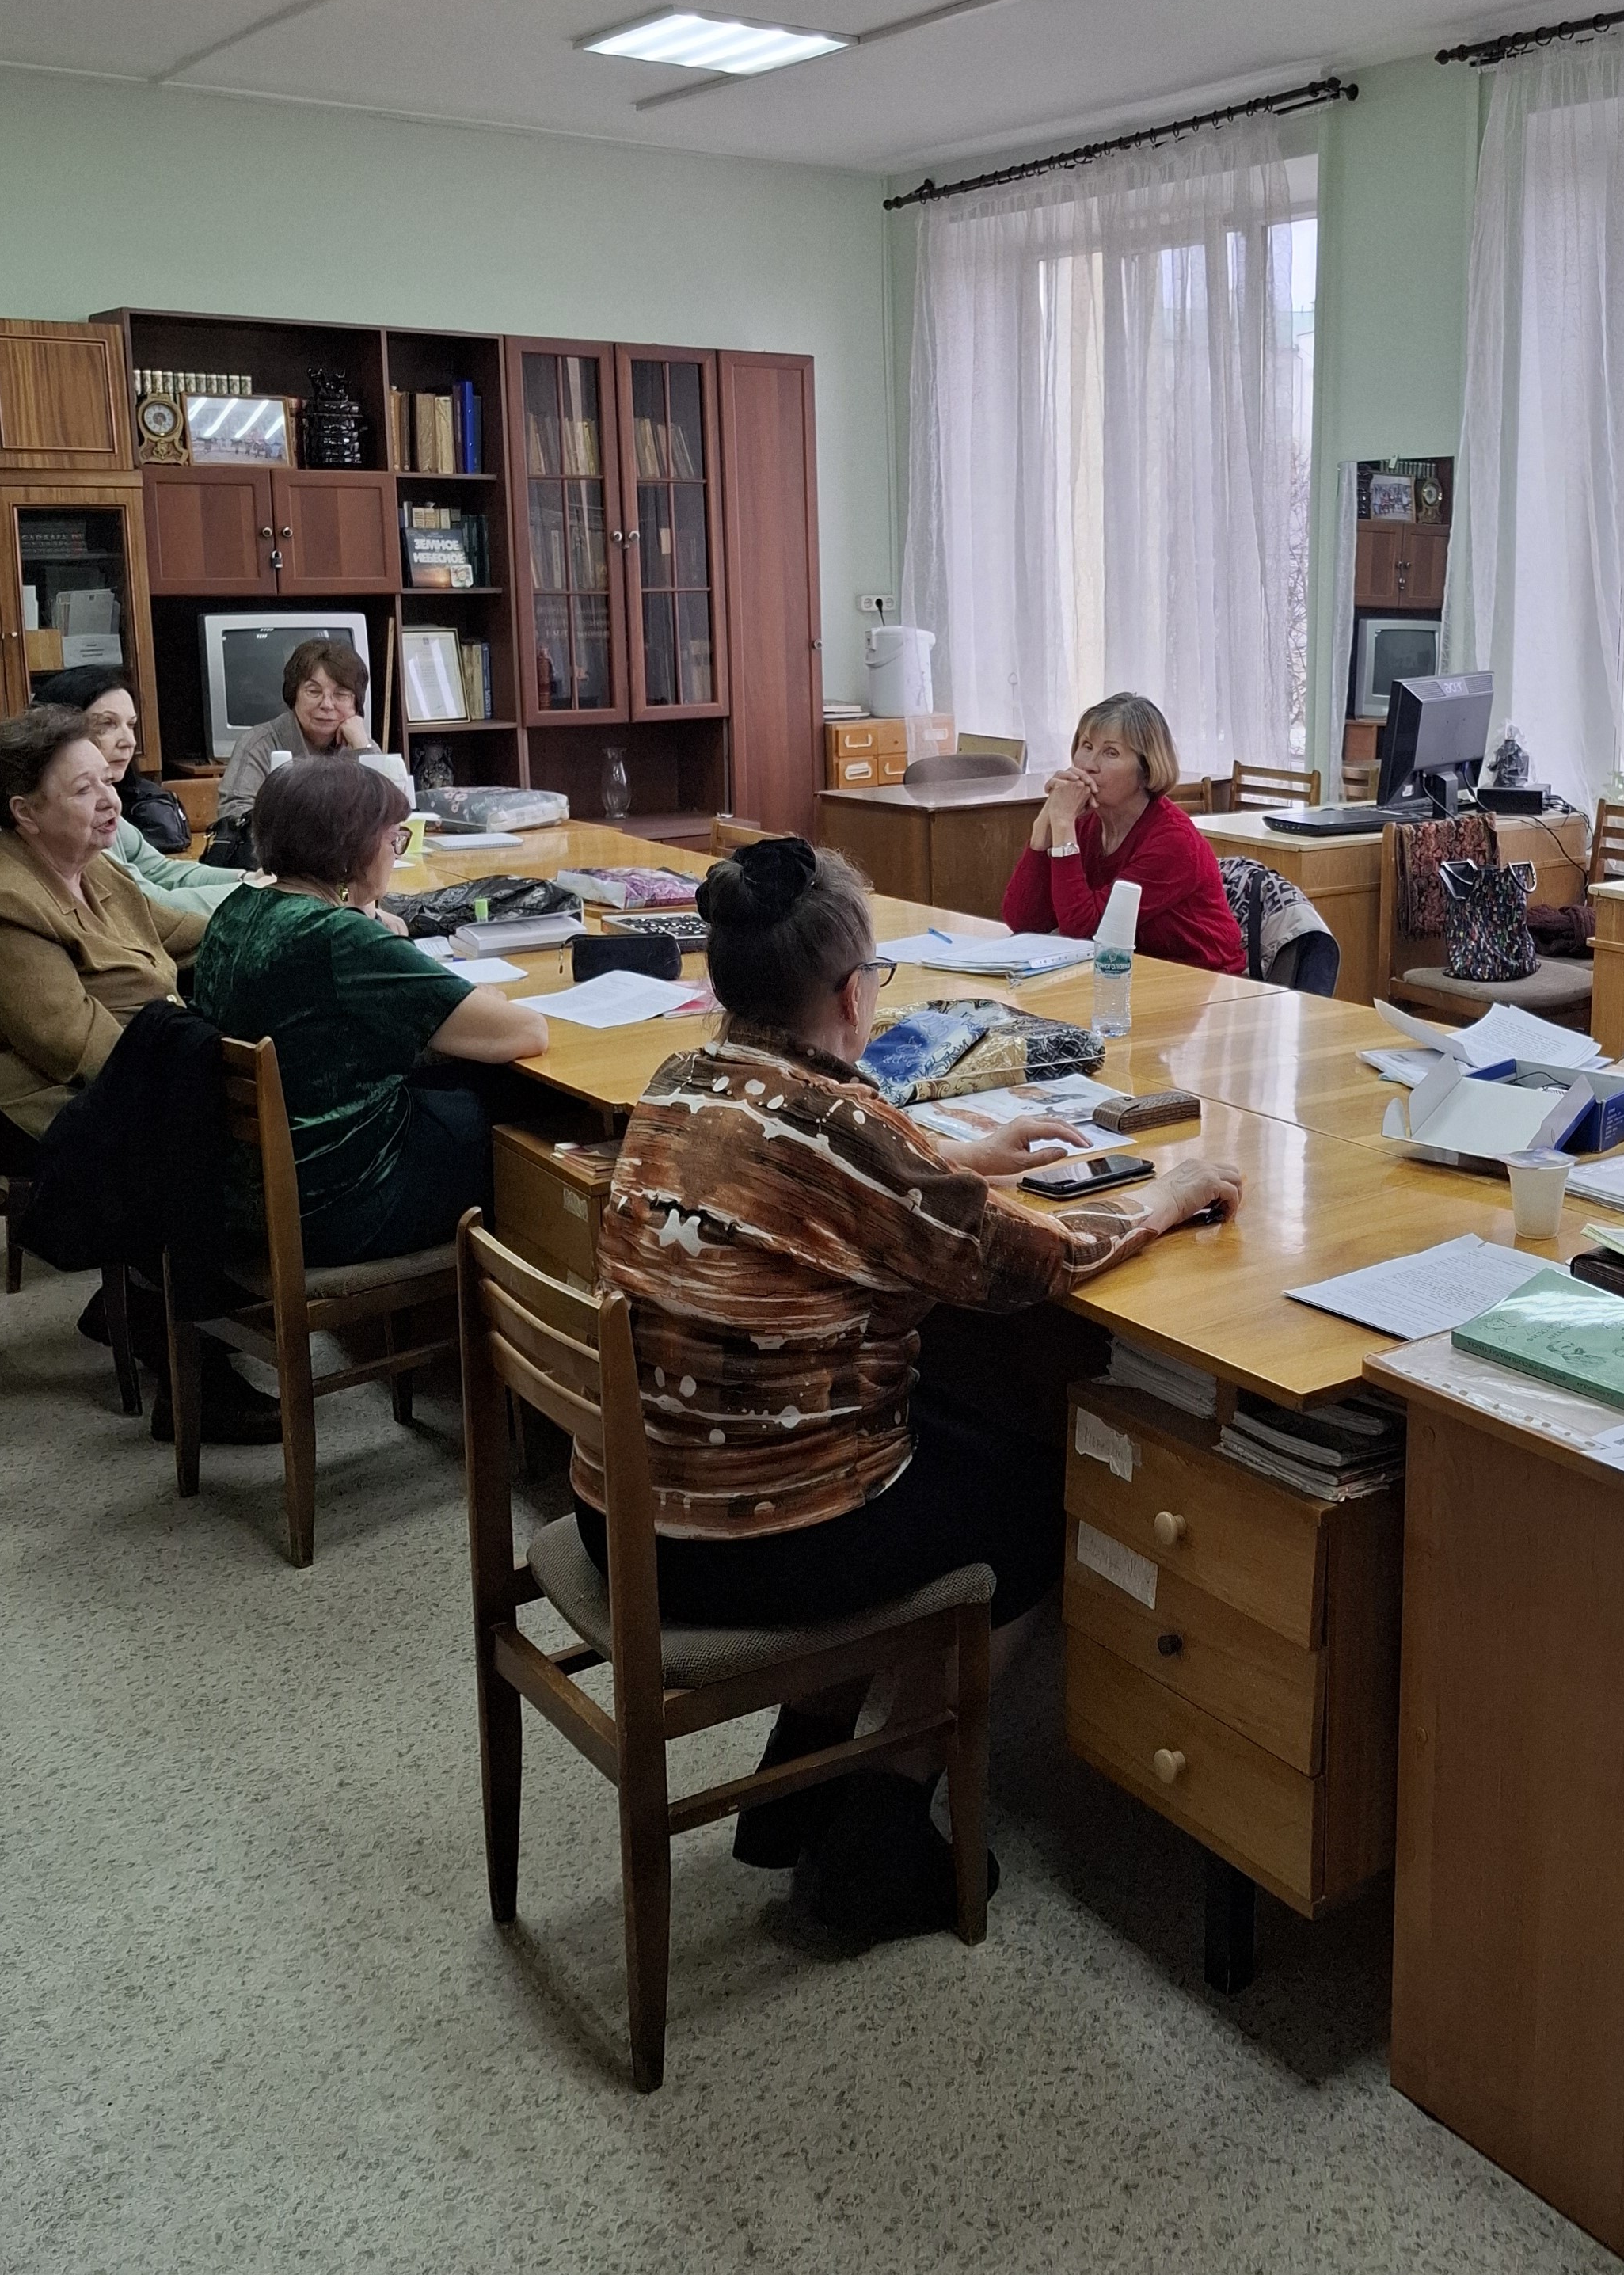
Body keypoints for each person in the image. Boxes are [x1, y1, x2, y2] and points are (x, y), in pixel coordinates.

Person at [591, 835, 1246, 1935]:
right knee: (1032, 1501)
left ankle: (802, 1774)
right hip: (740, 1548)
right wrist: (1165, 1197)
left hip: (625, 1504)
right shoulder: (842, 1129)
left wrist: (960, 1164)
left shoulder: (681, 1081)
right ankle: (883, 1820)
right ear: (854, 994)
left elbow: (853, 1178)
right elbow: (1037, 1263)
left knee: (951, 1419)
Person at [186, 759, 549, 1261]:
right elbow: (525, 1033)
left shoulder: (238, 909)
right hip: (343, 1200)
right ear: (352, 846)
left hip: (251, 1193)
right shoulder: (338, 937)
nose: (394, 854)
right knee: (533, 1125)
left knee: (463, 1091)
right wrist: (479, 993)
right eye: (392, 839)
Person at [0, 707, 206, 1175]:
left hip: (129, 1075)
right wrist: (200, 1067)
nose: (110, 801)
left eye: (107, 781)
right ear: (26, 813)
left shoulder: (92, 865)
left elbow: (181, 933)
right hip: (34, 1109)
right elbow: (74, 1044)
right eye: (83, 790)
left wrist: (281, 924)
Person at [999, 691, 1246, 973]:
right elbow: (1024, 921)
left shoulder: (1174, 841)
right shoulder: (1084, 823)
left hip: (1203, 980)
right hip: (1125, 974)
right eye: (1087, 746)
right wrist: (1044, 825)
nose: (1089, 765)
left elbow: (1085, 931)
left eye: (1111, 753)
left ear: (1146, 770)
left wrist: (1063, 824)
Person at [0, 667, 242, 917]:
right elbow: (144, 906)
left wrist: (246, 878)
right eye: (106, 725)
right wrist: (255, 894)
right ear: (59, 731)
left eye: (131, 725)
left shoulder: (103, 805)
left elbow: (160, 871)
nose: (129, 741)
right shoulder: (56, 823)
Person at [214, 635, 374, 824]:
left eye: (341, 694)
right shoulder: (259, 744)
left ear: (356, 704)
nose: (327, 705)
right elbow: (234, 814)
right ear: (294, 695)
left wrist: (363, 749)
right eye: (314, 691)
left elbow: (388, 817)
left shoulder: (360, 742)